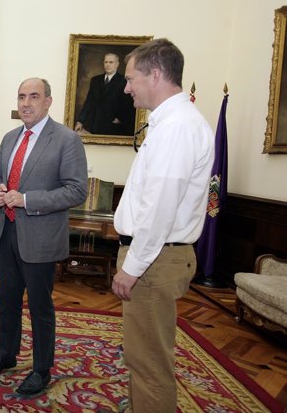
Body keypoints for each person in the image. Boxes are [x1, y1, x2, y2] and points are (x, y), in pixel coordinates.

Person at [111, 38, 214, 412]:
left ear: (155, 74)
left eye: (130, 78)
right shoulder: (172, 123)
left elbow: (160, 209)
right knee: (144, 356)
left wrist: (132, 267)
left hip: (155, 260)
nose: (126, 87)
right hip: (156, 256)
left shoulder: (177, 128)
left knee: (149, 362)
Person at [0, 77, 87, 395]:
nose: (26, 103)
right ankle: (7, 354)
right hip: (6, 232)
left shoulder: (67, 139)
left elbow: (76, 190)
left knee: (40, 306)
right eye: (21, 96)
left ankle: (41, 369)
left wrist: (27, 200)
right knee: (7, 300)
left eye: (34, 96)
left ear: (48, 101)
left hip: (40, 237)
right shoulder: (10, 137)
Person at [75, 53, 134, 136]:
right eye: (106, 62)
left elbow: (128, 105)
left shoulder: (123, 81)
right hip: (95, 125)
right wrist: (80, 121)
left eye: (111, 62)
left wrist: (120, 118)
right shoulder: (95, 80)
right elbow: (89, 102)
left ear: (117, 64)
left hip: (113, 126)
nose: (107, 65)